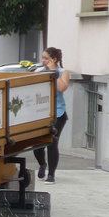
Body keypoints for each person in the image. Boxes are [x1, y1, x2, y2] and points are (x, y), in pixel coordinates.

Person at [35, 46, 71, 184]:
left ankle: (51, 174)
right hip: (41, 113)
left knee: (52, 142)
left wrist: (52, 72)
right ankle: (42, 164)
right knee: (38, 144)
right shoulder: (39, 72)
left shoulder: (63, 72)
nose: (43, 61)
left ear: (54, 59)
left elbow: (61, 88)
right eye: (42, 58)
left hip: (58, 113)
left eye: (46, 58)